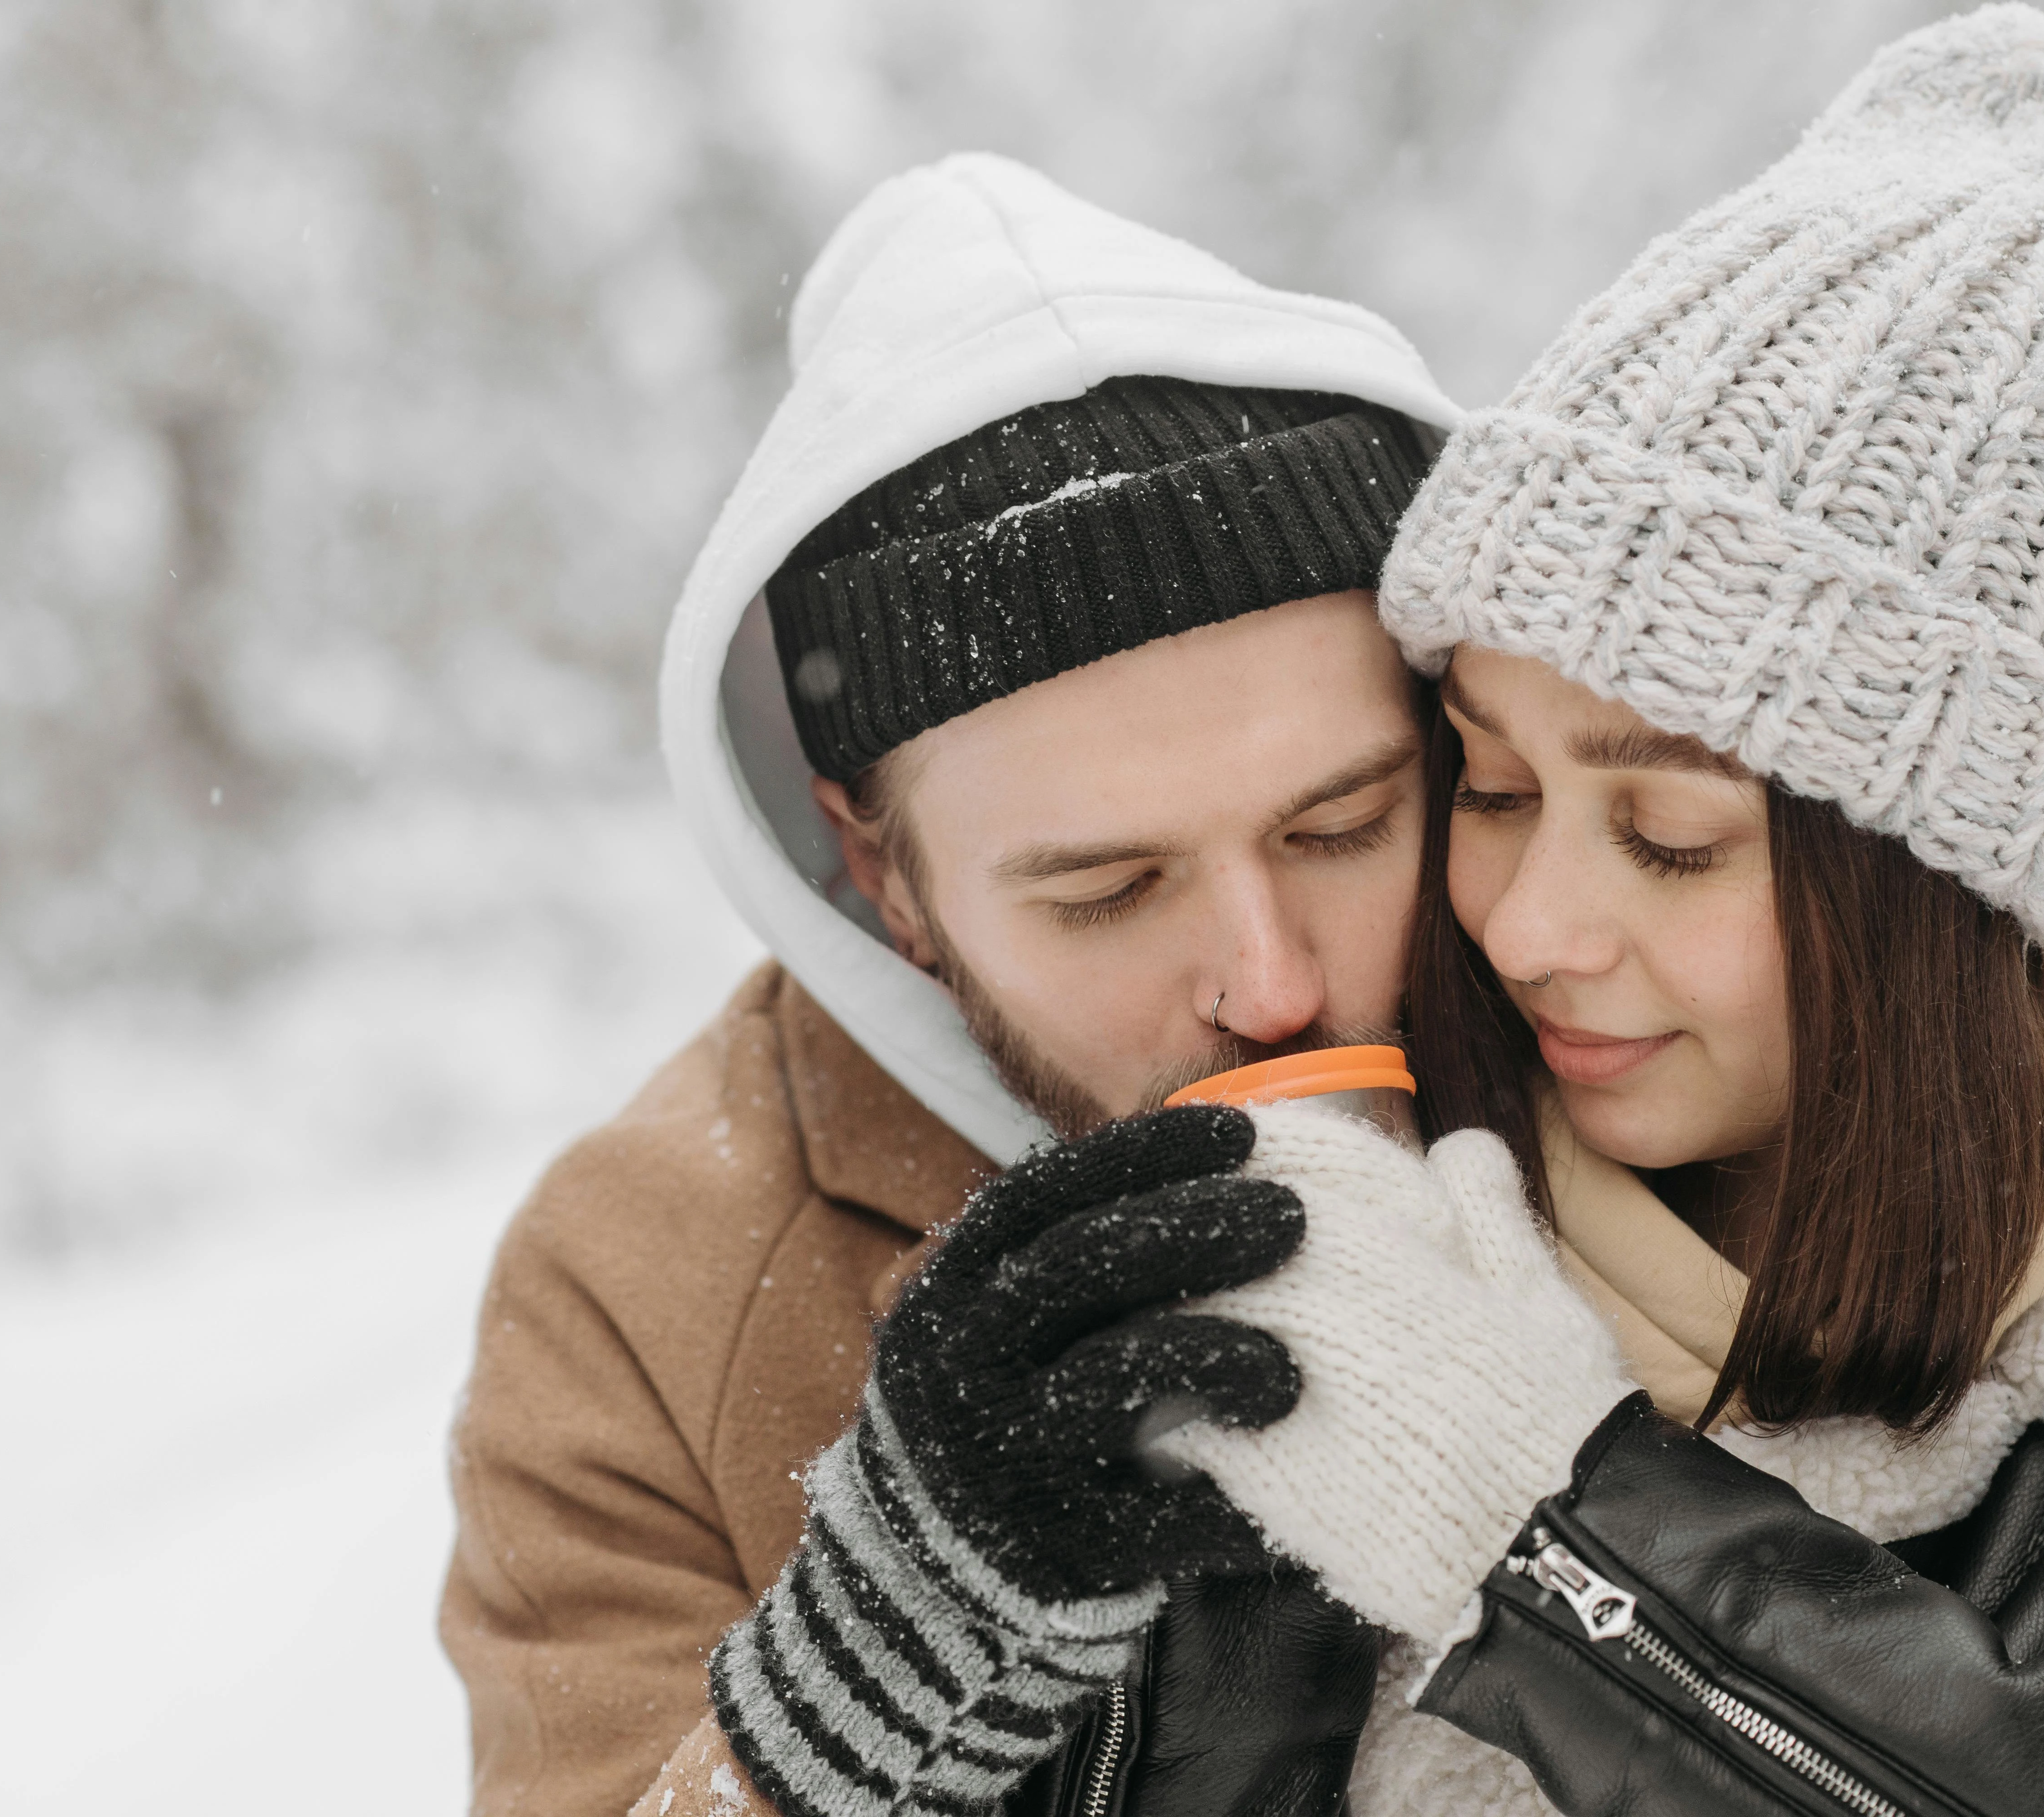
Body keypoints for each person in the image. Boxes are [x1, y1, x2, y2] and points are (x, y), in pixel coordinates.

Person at [688, 11, 2044, 1817]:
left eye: (1670, 836)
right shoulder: (1194, 1293)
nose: (1526, 928)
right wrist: (884, 1677)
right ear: (887, 878)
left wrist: (1553, 1533)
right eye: (1492, 784)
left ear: (1940, 887)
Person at [440, 152, 1460, 1817]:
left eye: (1344, 826)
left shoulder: (1635, 1041)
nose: (1275, 987)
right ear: (885, 874)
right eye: (1108, 892)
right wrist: (877, 1676)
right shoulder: (642, 1288)